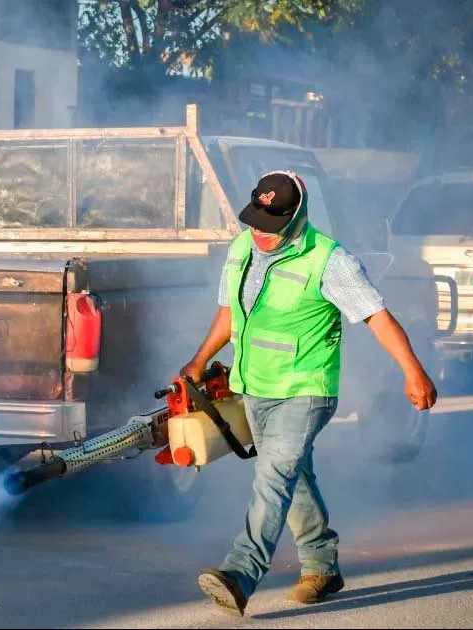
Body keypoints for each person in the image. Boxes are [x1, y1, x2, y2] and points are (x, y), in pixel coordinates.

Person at [182, 170, 438, 616]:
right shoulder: (242, 247)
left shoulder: (330, 260)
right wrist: (199, 359)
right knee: (291, 474)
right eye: (254, 221)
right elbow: (229, 313)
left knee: (273, 476)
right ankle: (322, 566)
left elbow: (377, 317)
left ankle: (240, 573)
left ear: (297, 218)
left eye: (270, 225)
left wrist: (413, 371)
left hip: (305, 391)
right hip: (255, 386)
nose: (259, 232)